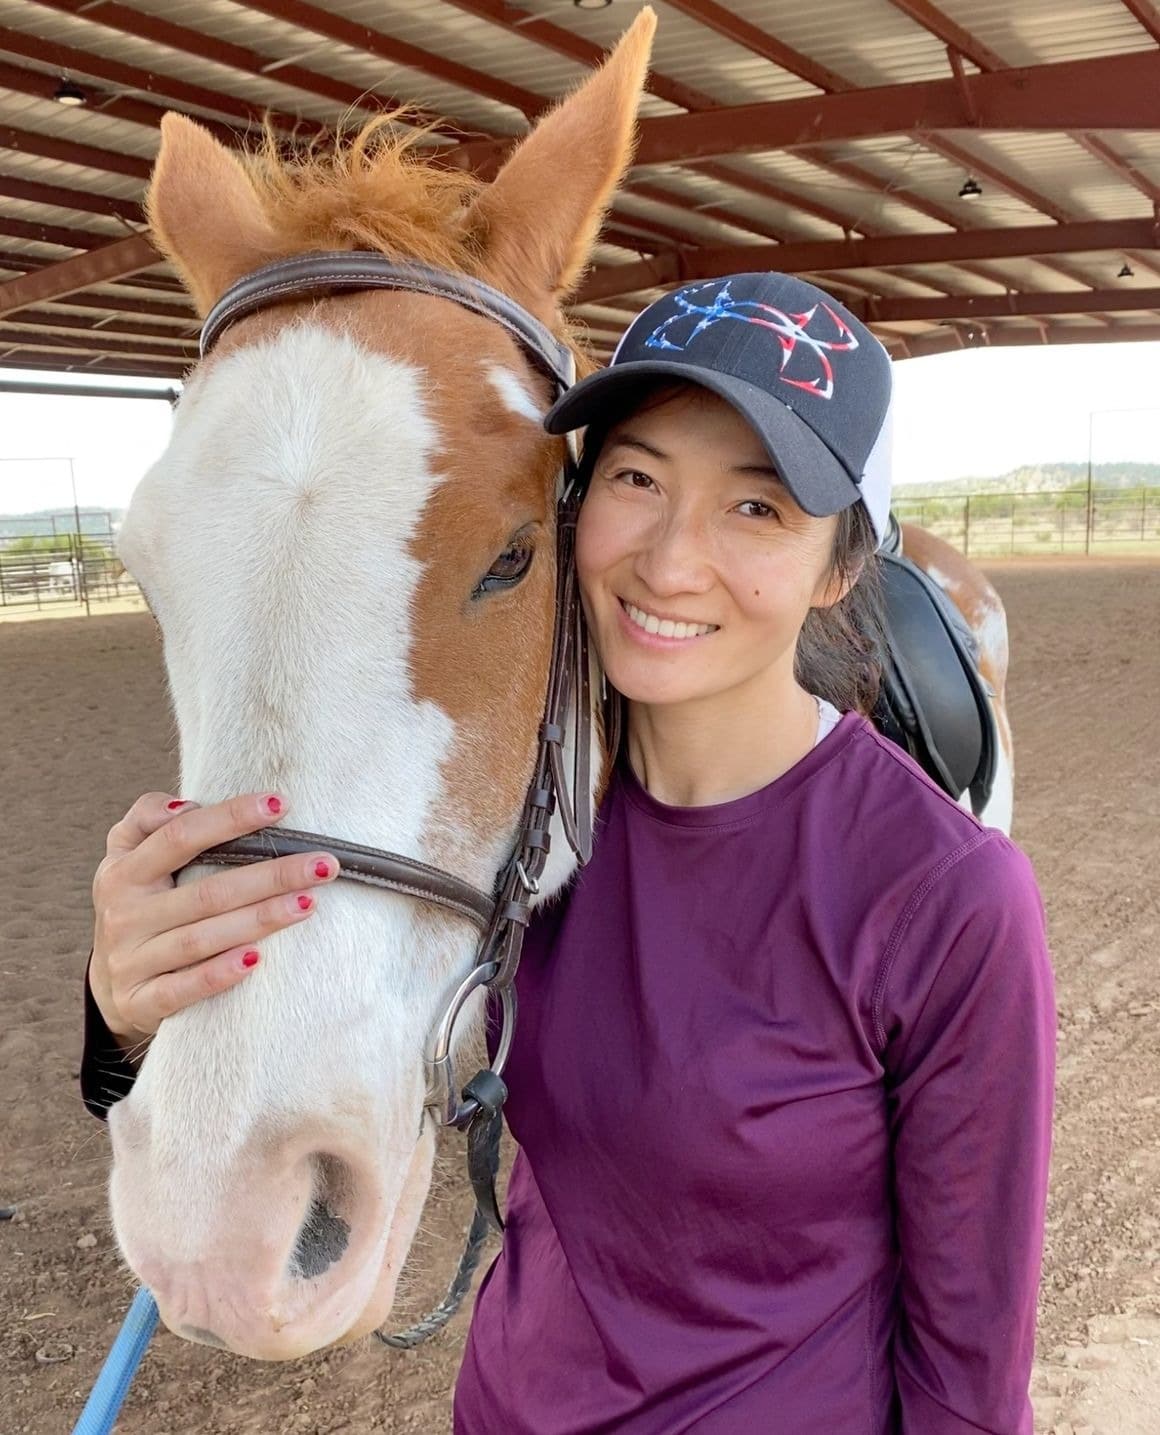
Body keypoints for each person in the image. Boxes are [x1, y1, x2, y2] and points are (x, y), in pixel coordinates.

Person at [82, 273, 1055, 1434]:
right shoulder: (529, 822)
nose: (670, 562)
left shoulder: (946, 897)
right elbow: (343, 1011)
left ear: (840, 564)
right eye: (636, 479)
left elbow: (968, 1366)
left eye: (755, 509)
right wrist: (128, 1013)